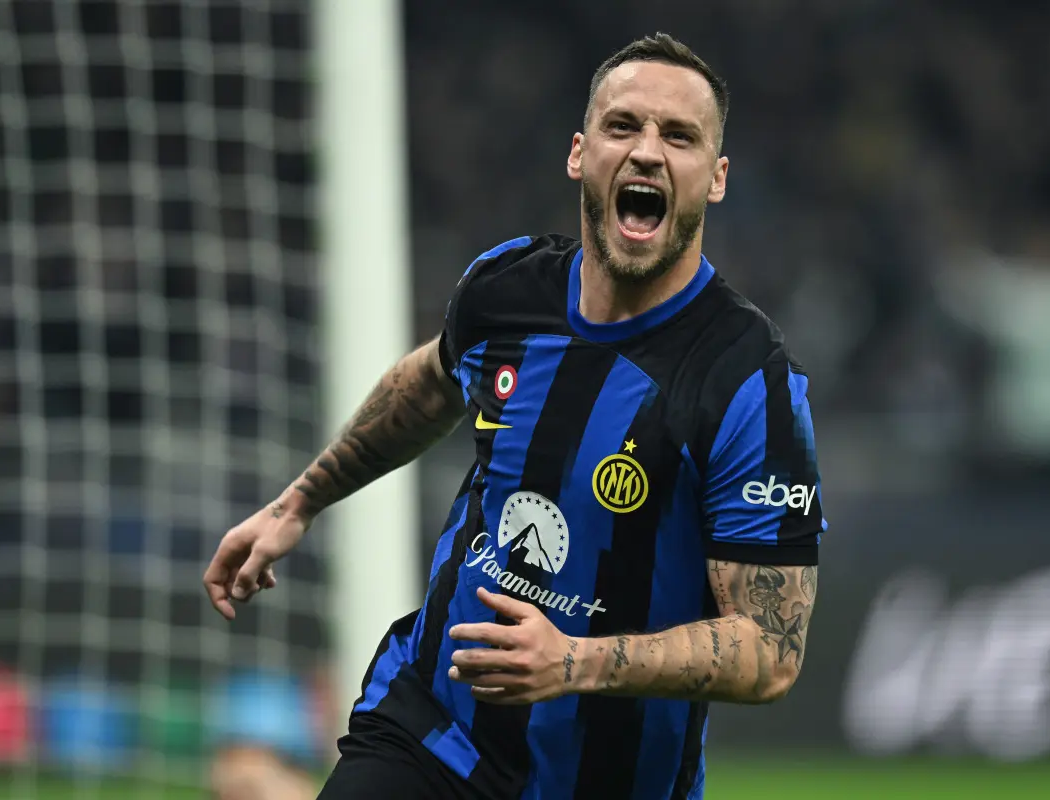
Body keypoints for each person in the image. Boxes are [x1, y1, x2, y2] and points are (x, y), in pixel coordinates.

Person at [204, 33, 827, 800]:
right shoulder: (506, 289)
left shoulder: (748, 383)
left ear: (717, 177)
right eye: (622, 126)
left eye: (679, 136)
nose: (646, 151)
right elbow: (425, 386)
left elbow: (771, 651)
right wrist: (299, 503)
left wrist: (575, 661)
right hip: (436, 732)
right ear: (579, 153)